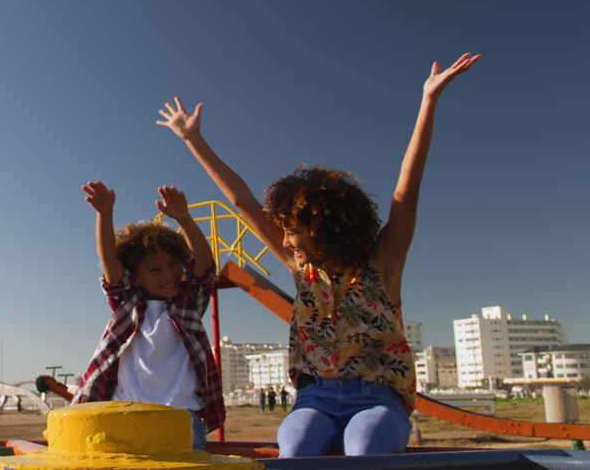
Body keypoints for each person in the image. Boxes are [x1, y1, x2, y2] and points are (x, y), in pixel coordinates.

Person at [157, 53, 481, 457]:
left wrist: (428, 102)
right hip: (317, 398)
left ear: (322, 229)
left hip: (378, 396)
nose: (286, 240)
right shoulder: (301, 270)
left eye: (293, 231)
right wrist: (193, 140)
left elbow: (406, 191)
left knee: (364, 447)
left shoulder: (382, 264)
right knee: (295, 448)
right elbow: (242, 201)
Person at [72, 182, 223, 451]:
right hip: (125, 411)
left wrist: (184, 219)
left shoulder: (186, 303)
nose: (168, 275)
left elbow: (204, 263)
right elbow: (109, 259)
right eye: (155, 270)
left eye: (174, 264)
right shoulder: (128, 303)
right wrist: (104, 215)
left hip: (181, 414)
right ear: (136, 277)